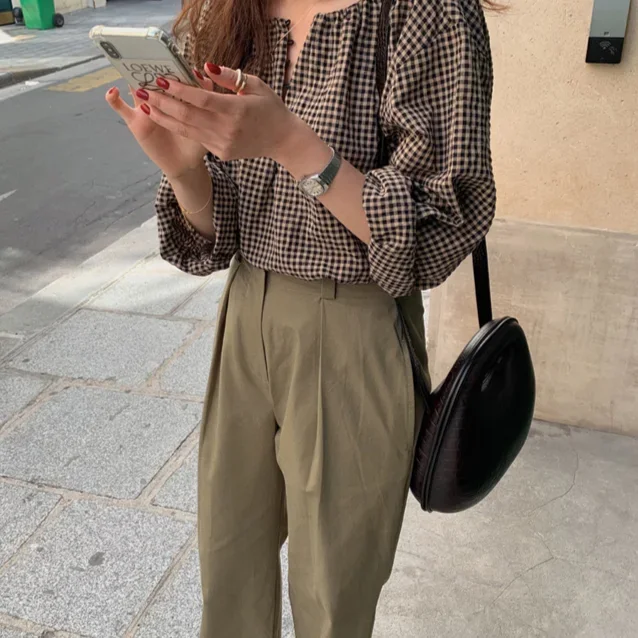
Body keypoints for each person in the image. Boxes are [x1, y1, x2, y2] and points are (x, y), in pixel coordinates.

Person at [106, 0, 496, 634]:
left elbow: (438, 227)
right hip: (245, 316)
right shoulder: (239, 10)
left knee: (333, 597)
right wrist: (184, 170)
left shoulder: (427, 12)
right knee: (228, 573)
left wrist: (289, 141)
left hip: (352, 329)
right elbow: (223, 229)